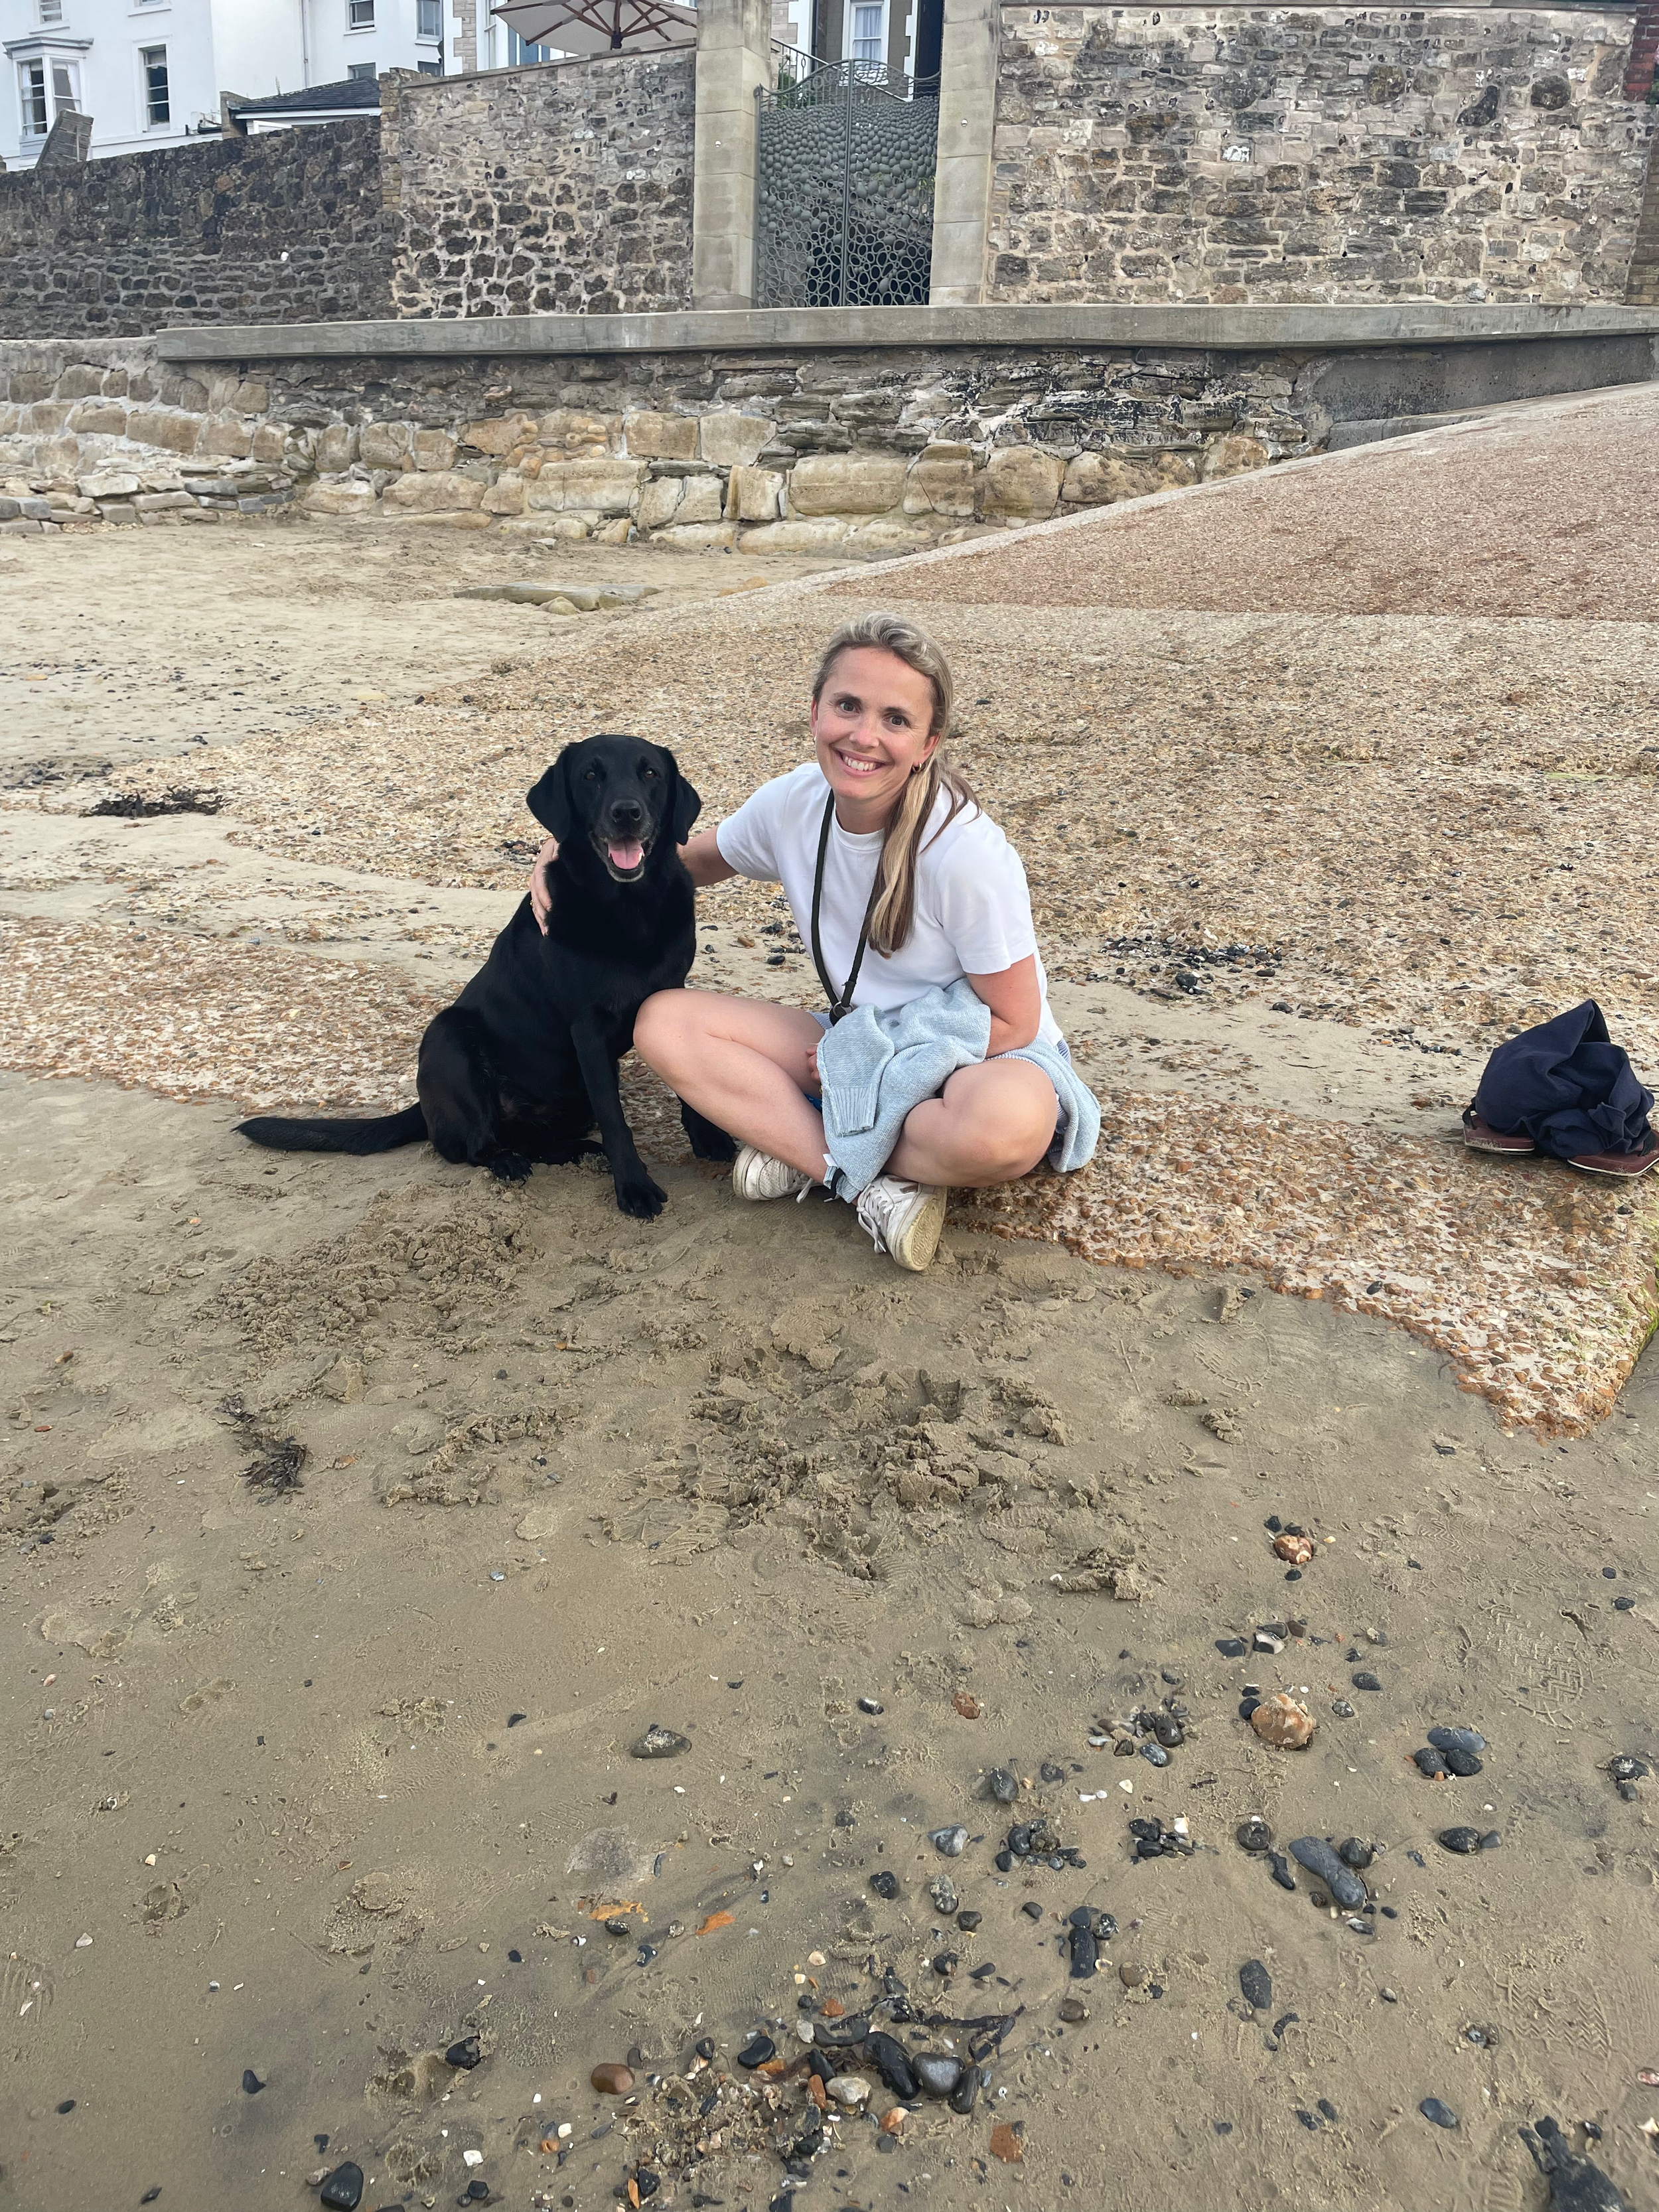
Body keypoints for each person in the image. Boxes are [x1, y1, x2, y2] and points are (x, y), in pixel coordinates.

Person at [530, 611, 1088, 1271]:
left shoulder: (965, 852)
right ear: (815, 711)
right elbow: (688, 860)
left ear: (928, 742)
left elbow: (1016, 1020)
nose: (864, 736)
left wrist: (871, 1062)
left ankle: (808, 1148)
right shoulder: (793, 803)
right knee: (662, 1024)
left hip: (973, 1054)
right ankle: (864, 1181)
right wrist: (568, 846)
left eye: (895, 719)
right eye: (847, 706)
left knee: (1007, 1129)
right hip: (850, 1043)